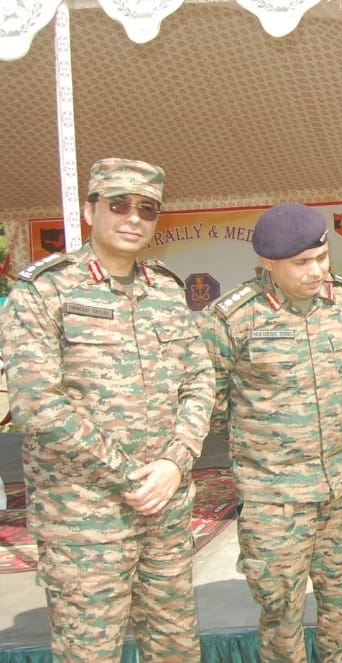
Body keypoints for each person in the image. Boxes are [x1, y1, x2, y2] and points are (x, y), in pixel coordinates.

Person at [0, 158, 214, 661]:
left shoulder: (165, 289)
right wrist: (128, 475)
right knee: (90, 653)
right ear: (89, 210)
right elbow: (37, 404)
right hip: (84, 521)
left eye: (147, 208)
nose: (133, 217)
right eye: (119, 205)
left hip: (163, 512)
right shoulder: (44, 290)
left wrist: (174, 461)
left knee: (177, 649)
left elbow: (200, 379)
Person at [200, 202, 342, 662]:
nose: (316, 271)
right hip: (273, 502)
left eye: (322, 257)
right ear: (268, 263)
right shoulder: (233, 319)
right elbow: (212, 403)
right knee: (281, 619)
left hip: (341, 495)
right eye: (301, 263)